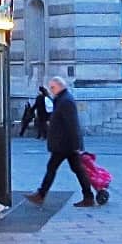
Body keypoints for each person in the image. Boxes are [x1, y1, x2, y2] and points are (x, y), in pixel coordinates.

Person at [26, 77, 97, 208]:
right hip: (65, 144)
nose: (51, 90)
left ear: (59, 86)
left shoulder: (66, 101)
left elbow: (72, 124)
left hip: (65, 144)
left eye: (52, 87)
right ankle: (88, 196)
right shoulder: (62, 99)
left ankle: (41, 194)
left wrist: (76, 145)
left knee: (53, 168)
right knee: (77, 170)